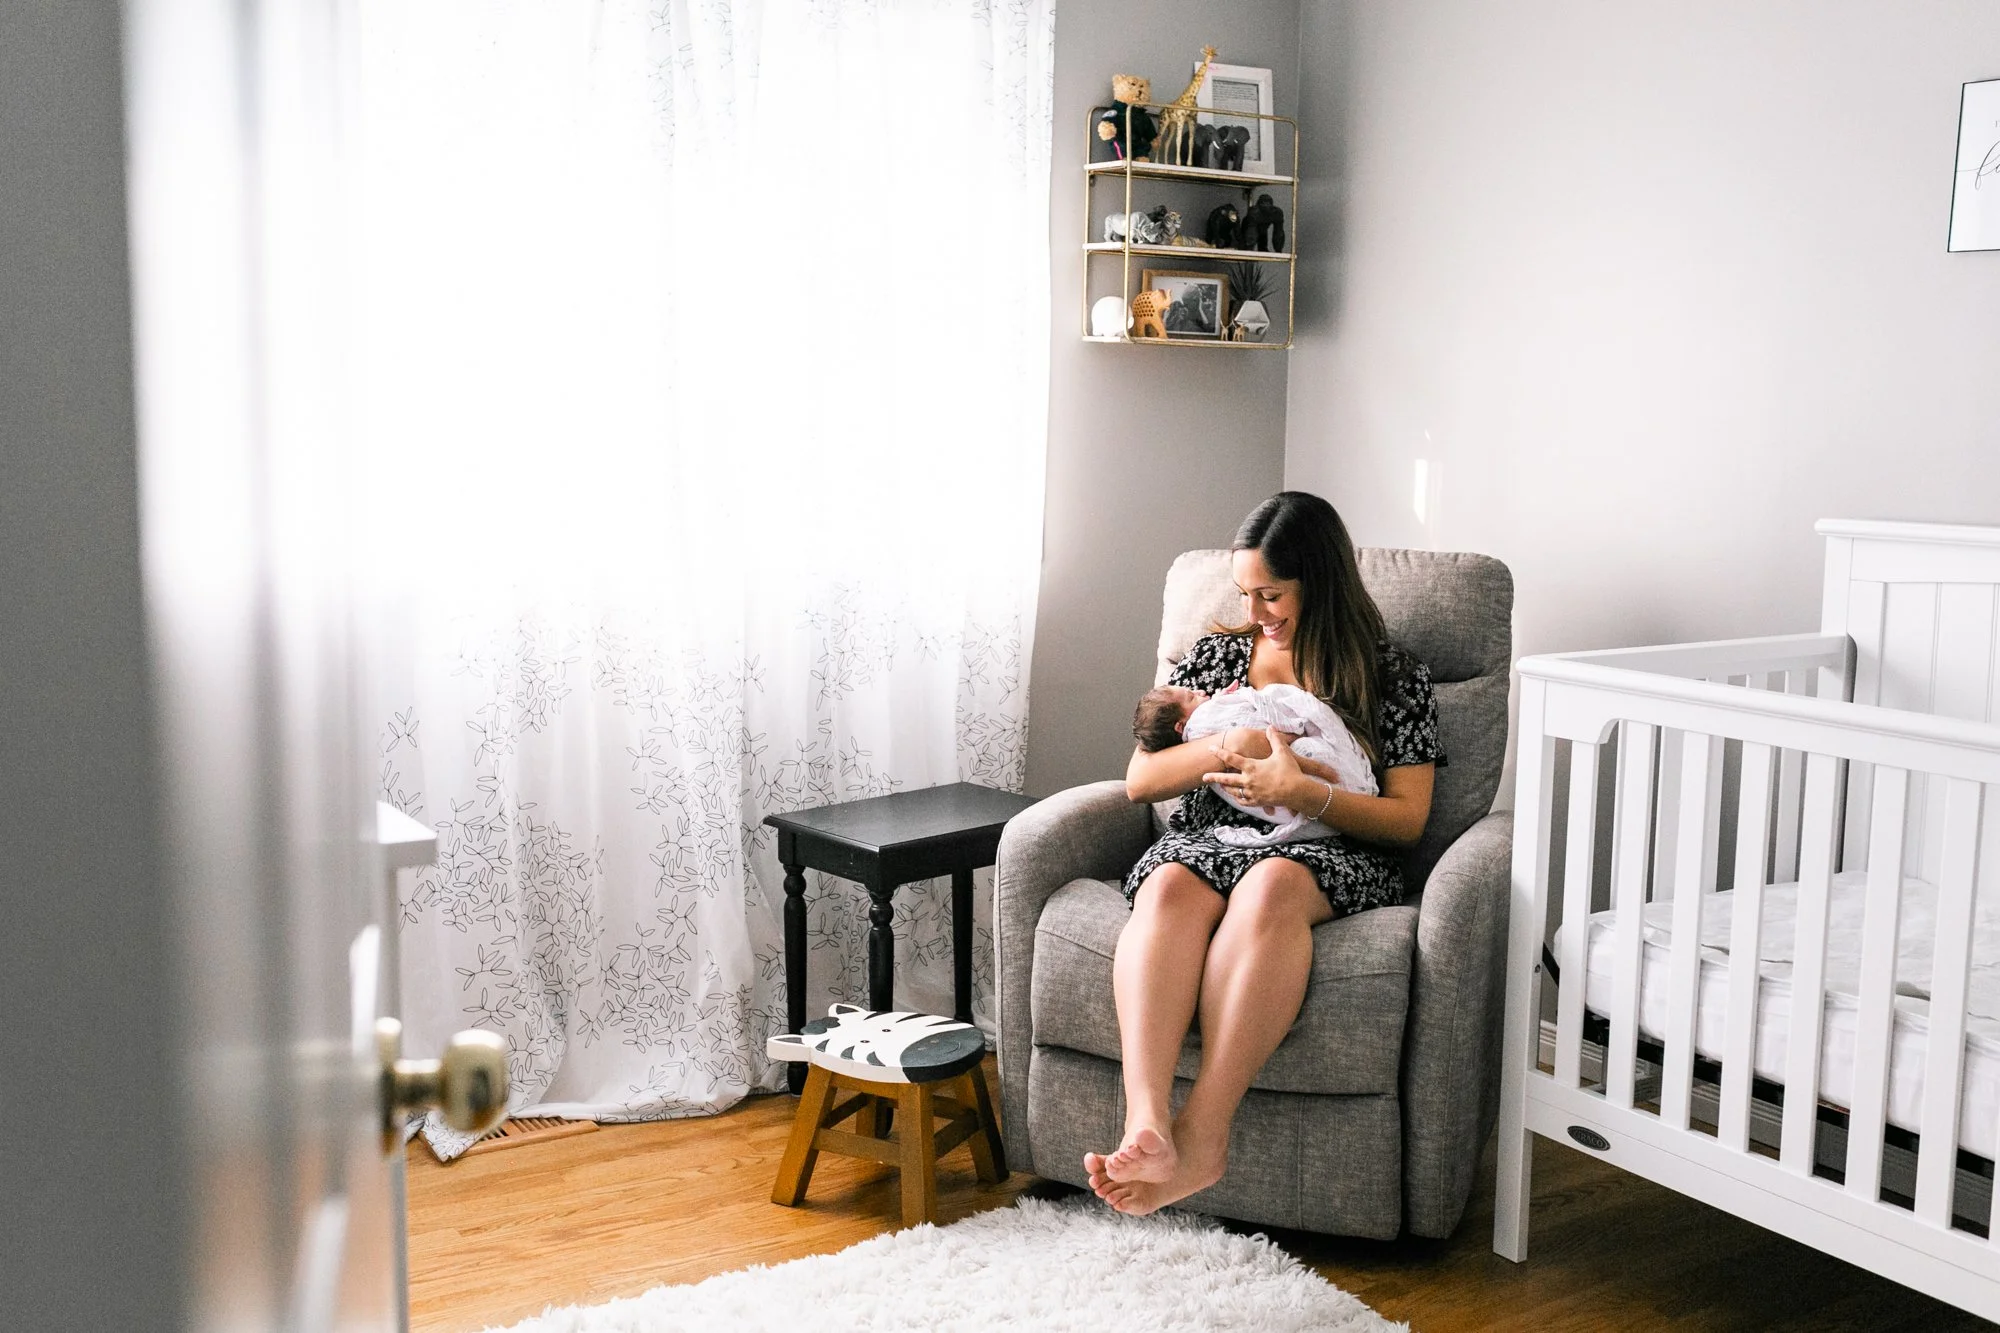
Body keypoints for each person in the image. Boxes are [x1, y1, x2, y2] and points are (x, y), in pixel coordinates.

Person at [1084, 491, 1444, 1216]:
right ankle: (1147, 1121)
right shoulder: (1217, 656)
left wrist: (1305, 793)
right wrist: (1228, 746)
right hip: (1214, 832)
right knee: (1168, 889)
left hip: (1330, 843)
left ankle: (1204, 1135)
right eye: (1246, 593)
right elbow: (1141, 779)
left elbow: (1407, 819)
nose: (1255, 612)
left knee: (1273, 885)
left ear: (1321, 580)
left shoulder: (1394, 677)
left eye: (1271, 594)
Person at [1128, 681, 1377, 847]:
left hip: (1314, 830)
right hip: (1203, 838)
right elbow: (1138, 784)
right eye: (1192, 696)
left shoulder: (1192, 705)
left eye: (1271, 597)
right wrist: (1239, 741)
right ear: (1179, 727)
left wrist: (1301, 791)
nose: (1202, 692)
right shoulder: (1195, 713)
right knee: (1166, 884)